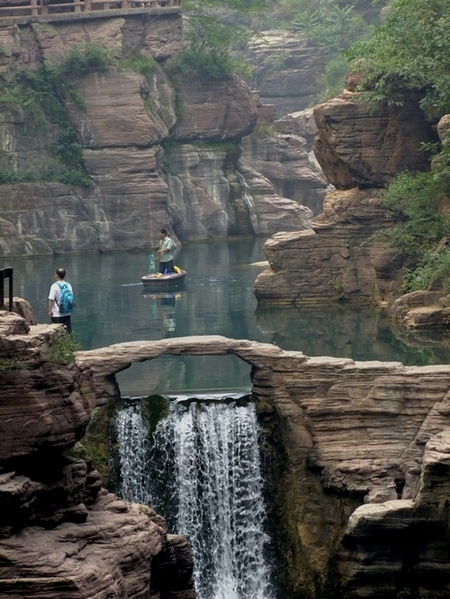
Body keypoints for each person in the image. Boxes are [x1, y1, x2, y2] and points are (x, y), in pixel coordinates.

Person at [48, 268, 73, 334]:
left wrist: (50, 310)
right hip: (67, 313)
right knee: (68, 333)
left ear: (57, 275)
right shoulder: (68, 285)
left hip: (57, 314)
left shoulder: (54, 286)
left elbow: (51, 299)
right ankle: (69, 344)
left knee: (57, 334)